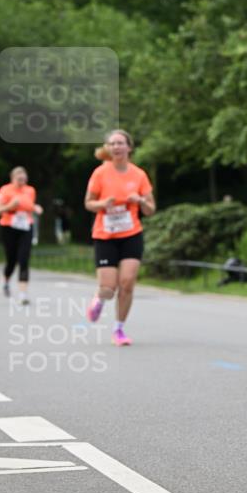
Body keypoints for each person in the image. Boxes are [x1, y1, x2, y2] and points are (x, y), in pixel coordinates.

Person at [84, 130, 155, 346]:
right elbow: (88, 203)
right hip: (105, 234)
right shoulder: (100, 173)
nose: (116, 147)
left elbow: (150, 209)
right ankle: (98, 299)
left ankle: (119, 329)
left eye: (120, 143)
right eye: (112, 144)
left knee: (127, 283)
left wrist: (140, 200)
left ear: (129, 147)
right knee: (108, 288)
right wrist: (102, 204)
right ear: (108, 148)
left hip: (131, 233)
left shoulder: (139, 175)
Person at [0, 166, 43, 305]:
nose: (22, 182)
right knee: (11, 260)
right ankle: (6, 280)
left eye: (23, 179)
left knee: (24, 259)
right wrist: (10, 206)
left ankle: (23, 294)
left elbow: (30, 206)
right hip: (9, 227)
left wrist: (36, 208)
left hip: (26, 227)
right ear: (12, 179)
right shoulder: (5, 190)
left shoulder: (30, 190)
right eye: (19, 179)